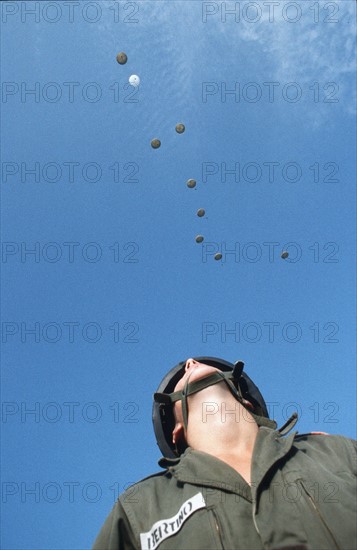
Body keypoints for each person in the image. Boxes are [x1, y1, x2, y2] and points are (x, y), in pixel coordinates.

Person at [93, 356, 357, 550]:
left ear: (246, 401)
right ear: (176, 430)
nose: (190, 362)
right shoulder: (139, 508)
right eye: (181, 377)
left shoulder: (335, 452)